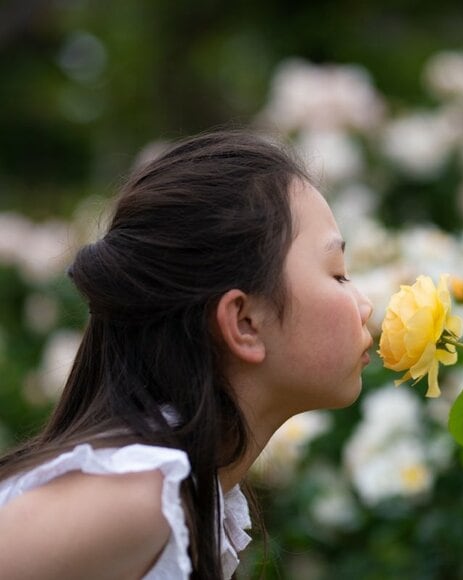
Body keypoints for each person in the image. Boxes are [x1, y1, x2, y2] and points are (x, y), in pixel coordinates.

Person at [0, 130, 374, 579]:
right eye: (337, 274)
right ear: (244, 322)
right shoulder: (138, 497)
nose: (365, 306)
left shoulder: (181, 494)